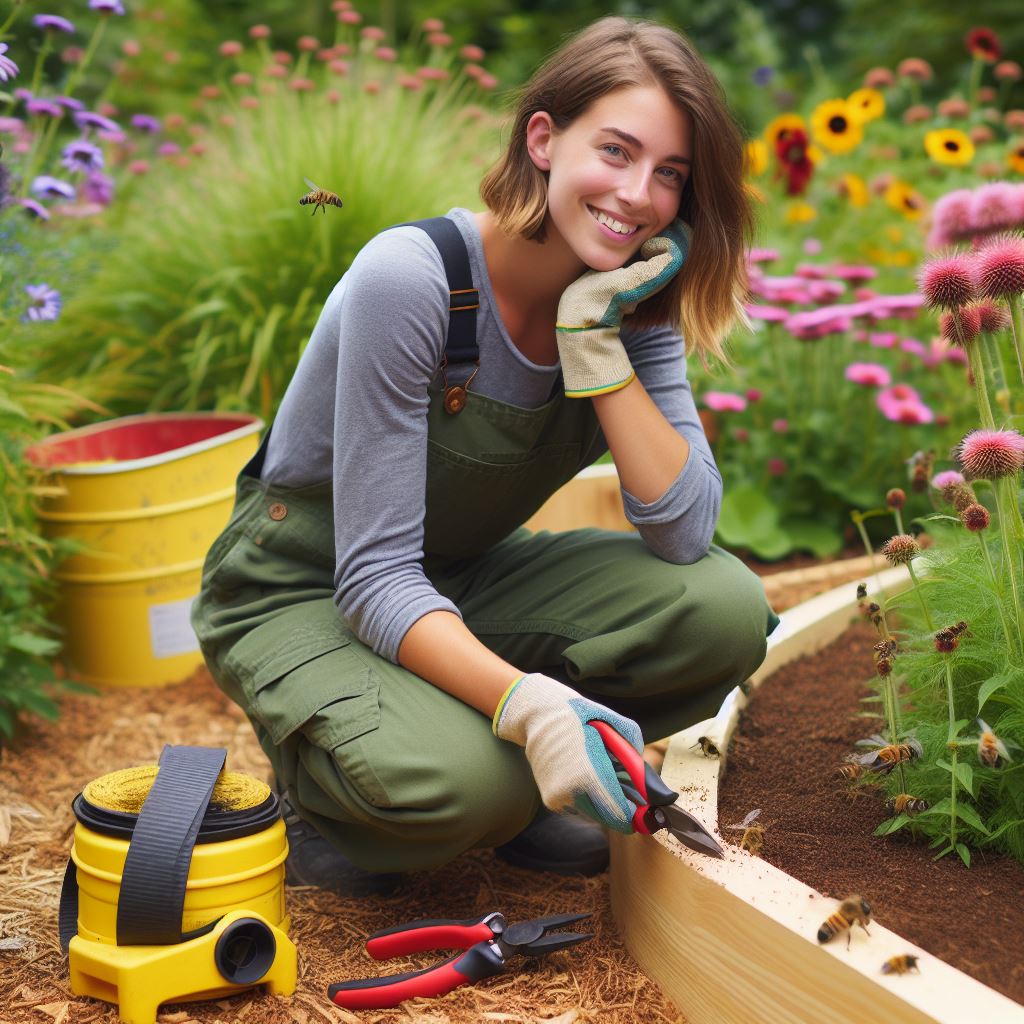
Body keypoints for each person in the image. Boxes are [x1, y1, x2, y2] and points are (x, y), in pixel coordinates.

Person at [191, 16, 778, 894]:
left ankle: (496, 762)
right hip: (306, 586)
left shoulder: (626, 301)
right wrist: (529, 707)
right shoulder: (414, 280)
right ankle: (329, 800)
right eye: (615, 152)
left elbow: (683, 533)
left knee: (724, 610)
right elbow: (375, 576)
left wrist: (594, 338)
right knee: (464, 785)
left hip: (456, 577)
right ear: (543, 138)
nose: (638, 195)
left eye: (670, 175)